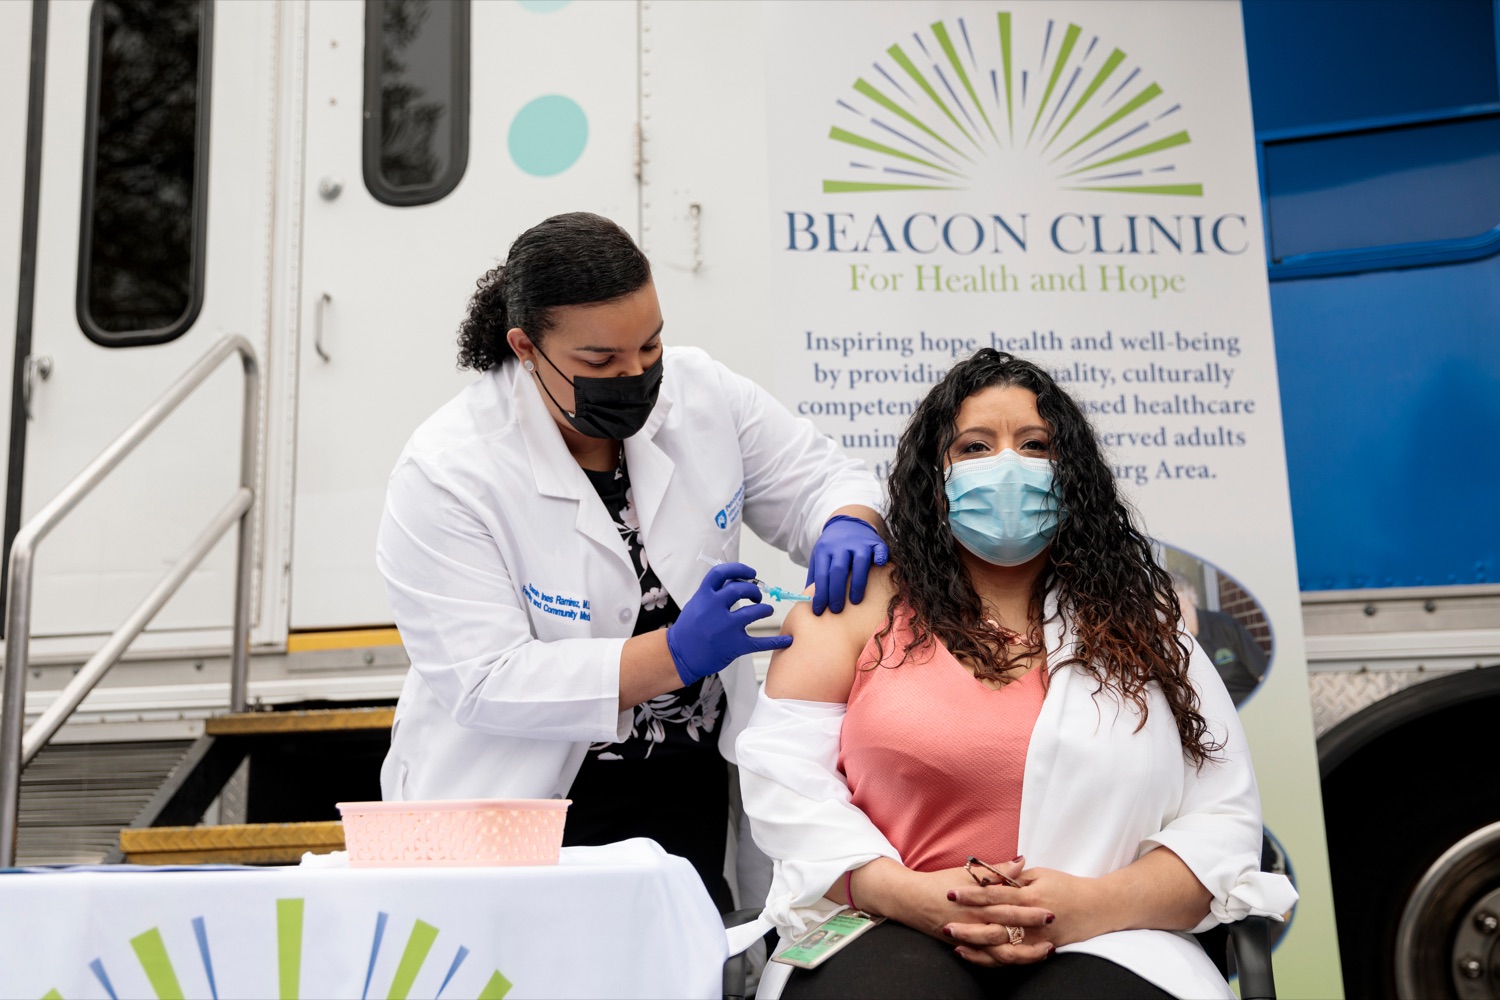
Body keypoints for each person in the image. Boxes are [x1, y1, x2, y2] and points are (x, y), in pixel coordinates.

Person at [736, 349, 1296, 998]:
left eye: (1035, 445)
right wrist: (907, 893)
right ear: (933, 475)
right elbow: (784, 778)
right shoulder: (857, 608)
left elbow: (1221, 821)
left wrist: (1088, 906)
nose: (1007, 465)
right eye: (975, 446)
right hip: (881, 918)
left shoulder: (1146, 625)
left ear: (1073, 475)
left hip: (1109, 932)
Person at [376, 212, 888, 909]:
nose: (636, 374)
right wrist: (674, 653)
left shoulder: (703, 394)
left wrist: (846, 523)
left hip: (684, 779)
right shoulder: (447, 470)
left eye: (650, 346)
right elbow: (484, 679)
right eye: (601, 362)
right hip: (519, 796)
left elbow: (823, 478)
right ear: (525, 347)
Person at [1170, 572, 1269, 706]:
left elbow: (1263, 675)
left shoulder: (1225, 626)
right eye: (1169, 606)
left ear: (1192, 596)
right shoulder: (1172, 642)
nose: (1177, 610)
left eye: (1180, 603)